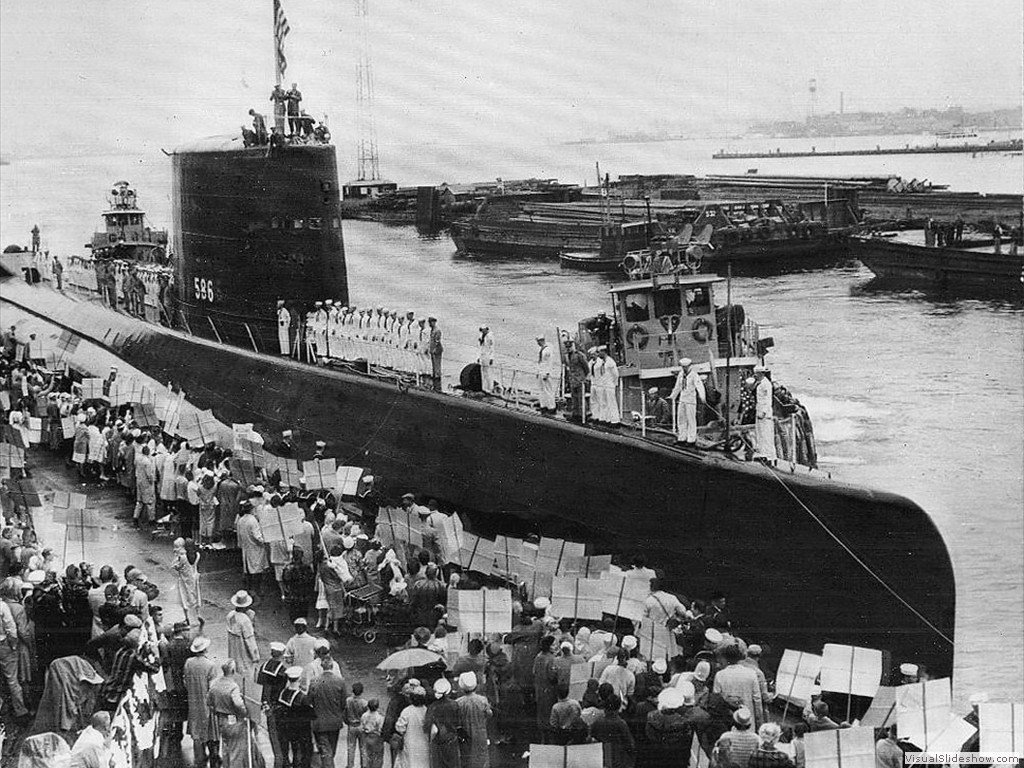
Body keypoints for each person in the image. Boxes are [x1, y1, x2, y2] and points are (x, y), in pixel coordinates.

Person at [184, 635, 220, 768]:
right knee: (211, 733)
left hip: (193, 703)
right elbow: (213, 688)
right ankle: (214, 760)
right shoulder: (210, 665)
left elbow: (186, 682)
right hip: (207, 704)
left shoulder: (188, 663)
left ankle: (200, 761)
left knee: (197, 734)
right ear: (205, 650)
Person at [225, 591, 260, 719]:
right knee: (247, 678)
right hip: (244, 653)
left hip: (234, 651)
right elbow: (250, 640)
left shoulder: (230, 616)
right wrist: (255, 656)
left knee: (236, 675)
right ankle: (247, 708)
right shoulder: (245, 620)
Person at [208, 659, 249, 768]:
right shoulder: (233, 686)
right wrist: (245, 713)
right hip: (234, 721)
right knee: (236, 751)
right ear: (233, 670)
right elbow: (238, 704)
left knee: (226, 749)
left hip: (221, 720)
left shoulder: (215, 684)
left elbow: (209, 702)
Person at [309, 654, 347, 767]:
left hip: (319, 723)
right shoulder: (340, 681)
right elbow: (343, 703)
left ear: (321, 666)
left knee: (325, 752)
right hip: (335, 722)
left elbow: (309, 700)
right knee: (331, 750)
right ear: (332, 666)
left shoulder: (314, 681)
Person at [714, 644, 764, 728]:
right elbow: (757, 700)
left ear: (725, 658)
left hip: (727, 723)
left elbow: (716, 700)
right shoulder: (751, 674)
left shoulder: (720, 675)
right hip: (748, 721)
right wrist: (759, 722)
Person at [275, 665, 314, 768]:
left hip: (286, 729)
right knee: (302, 755)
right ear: (300, 679)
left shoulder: (283, 693)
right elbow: (312, 715)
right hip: (301, 731)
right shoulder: (302, 697)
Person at [456, 670, 492, 768]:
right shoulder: (482, 700)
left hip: (465, 734)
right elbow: (489, 715)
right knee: (481, 757)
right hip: (480, 732)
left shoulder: (458, 703)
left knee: (466, 757)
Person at [425, 677, 461, 768]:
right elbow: (459, 722)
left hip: (438, 743)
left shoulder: (432, 707)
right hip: (452, 741)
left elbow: (428, 727)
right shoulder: (454, 704)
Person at [591, 694, 635, 768]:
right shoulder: (621, 723)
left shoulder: (597, 722)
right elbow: (630, 743)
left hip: (602, 758)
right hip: (619, 760)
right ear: (618, 708)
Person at [670, 358, 705, 445]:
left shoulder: (694, 375)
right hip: (682, 399)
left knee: (691, 419)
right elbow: (678, 386)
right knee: (681, 418)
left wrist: (702, 397)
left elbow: (699, 386)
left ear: (689, 366)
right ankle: (682, 437)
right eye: (683, 367)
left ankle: (691, 439)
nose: (684, 369)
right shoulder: (681, 375)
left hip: (690, 400)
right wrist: (673, 396)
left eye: (686, 367)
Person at [236, 502, 268, 594]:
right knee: (256, 569)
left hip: (246, 547)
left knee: (249, 568)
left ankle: (250, 588)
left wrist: (240, 545)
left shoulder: (241, 520)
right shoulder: (252, 520)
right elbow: (257, 536)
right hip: (255, 548)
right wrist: (264, 541)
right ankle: (256, 589)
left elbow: (239, 535)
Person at [171, 537, 201, 625]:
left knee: (184, 597)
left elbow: (175, 566)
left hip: (184, 579)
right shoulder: (197, 555)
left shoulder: (183, 557)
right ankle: (197, 614)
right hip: (194, 578)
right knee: (195, 596)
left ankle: (187, 617)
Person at [591, 345, 621, 425]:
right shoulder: (603, 362)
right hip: (604, 385)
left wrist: (613, 384)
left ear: (604, 352)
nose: (598, 354)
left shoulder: (610, 362)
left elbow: (616, 375)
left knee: (611, 403)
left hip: (609, 386)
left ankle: (615, 420)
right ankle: (607, 419)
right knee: (605, 403)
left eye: (600, 352)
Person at [563, 339, 590, 422]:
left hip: (580, 380)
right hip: (572, 380)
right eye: (567, 347)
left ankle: (583, 415)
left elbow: (586, 368)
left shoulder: (579, 355)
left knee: (580, 398)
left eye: (570, 347)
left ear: (573, 346)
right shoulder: (567, 356)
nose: (568, 348)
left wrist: (583, 378)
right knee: (574, 398)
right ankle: (575, 414)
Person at [754, 369, 777, 463]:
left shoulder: (765, 384)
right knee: (761, 435)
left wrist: (763, 412)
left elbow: (768, 400)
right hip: (760, 411)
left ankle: (768, 456)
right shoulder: (761, 383)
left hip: (764, 413)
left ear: (761, 373)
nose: (755, 375)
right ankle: (764, 454)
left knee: (766, 435)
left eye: (756, 373)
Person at [133, 444, 157, 527]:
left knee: (139, 501)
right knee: (150, 501)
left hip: (139, 481)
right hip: (146, 483)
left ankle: (135, 517)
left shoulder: (138, 459)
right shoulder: (147, 462)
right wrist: (152, 481)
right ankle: (151, 519)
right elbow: (149, 474)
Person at [360, 698, 386, 768]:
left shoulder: (364, 715)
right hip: (376, 737)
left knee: (367, 755)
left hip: (367, 736)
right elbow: (381, 728)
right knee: (377, 756)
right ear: (377, 707)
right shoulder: (379, 717)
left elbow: (362, 726)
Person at [536, 334, 556, 413]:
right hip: (541, 372)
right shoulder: (541, 349)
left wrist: (547, 373)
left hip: (545, 373)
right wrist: (538, 372)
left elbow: (549, 362)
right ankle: (543, 405)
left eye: (538, 342)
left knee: (548, 390)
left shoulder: (548, 350)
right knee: (541, 389)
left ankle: (551, 407)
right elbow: (540, 362)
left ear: (542, 341)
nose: (538, 343)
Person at [427, 316, 443, 392]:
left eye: (431, 322)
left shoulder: (437, 330)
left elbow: (437, 341)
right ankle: (435, 376)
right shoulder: (432, 330)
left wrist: (434, 349)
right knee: (434, 364)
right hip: (433, 350)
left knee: (437, 364)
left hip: (437, 350)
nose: (430, 324)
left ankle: (437, 379)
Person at [478, 325, 495, 393]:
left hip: (488, 356)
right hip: (483, 356)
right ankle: (484, 388)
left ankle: (490, 388)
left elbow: (492, 347)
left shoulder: (490, 336)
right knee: (483, 372)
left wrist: (491, 358)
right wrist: (478, 357)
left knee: (488, 372)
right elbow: (480, 347)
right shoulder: (482, 336)